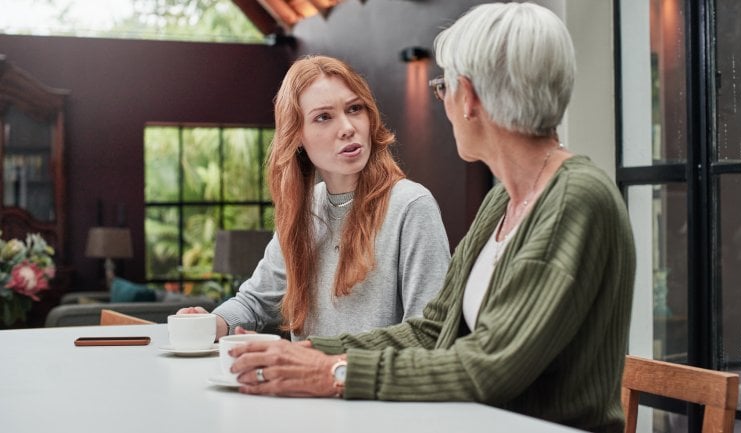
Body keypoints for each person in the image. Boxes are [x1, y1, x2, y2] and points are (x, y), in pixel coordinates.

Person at [227, 3, 635, 432]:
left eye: (444, 88)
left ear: (470, 98)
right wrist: (315, 351)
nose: (442, 101)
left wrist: (333, 373)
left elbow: (488, 367)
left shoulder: (576, 201)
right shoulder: (504, 202)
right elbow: (433, 329)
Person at [179, 55, 450, 341]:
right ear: (296, 135)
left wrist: (328, 366)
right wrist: (211, 322)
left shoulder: (411, 205)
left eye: (355, 109)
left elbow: (428, 335)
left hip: (367, 385)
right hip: (300, 386)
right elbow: (255, 301)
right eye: (323, 117)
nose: (347, 127)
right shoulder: (306, 209)